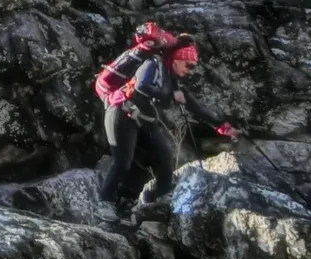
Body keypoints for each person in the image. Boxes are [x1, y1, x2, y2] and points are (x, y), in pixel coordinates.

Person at [97, 38, 239, 222]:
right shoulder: (153, 64)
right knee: (122, 162)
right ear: (177, 59)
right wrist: (170, 95)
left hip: (143, 120)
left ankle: (157, 199)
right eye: (189, 66)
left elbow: (196, 108)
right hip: (121, 114)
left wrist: (224, 127)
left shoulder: (171, 79)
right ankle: (104, 204)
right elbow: (141, 86)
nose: (189, 71)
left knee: (165, 158)